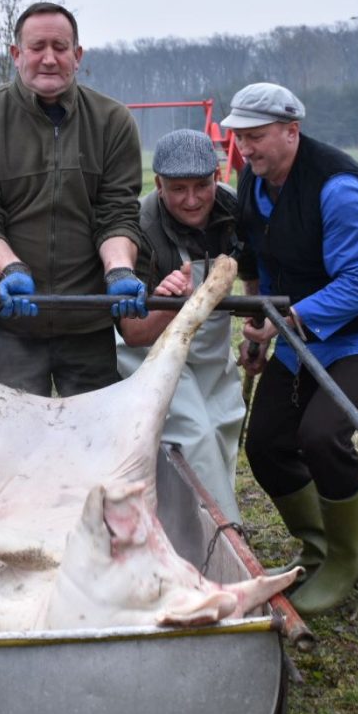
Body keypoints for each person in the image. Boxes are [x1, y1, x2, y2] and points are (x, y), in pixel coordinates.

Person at [224, 83, 358, 615]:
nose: (247, 148)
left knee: (322, 435)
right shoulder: (255, 178)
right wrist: (257, 318)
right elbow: (259, 259)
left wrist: (288, 320)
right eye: (240, 137)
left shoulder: (339, 188)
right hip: (297, 326)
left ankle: (344, 558)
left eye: (258, 136)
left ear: (292, 131)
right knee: (266, 442)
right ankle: (316, 549)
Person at [0, 1, 146, 397]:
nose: (50, 59)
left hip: (89, 326)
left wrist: (120, 271)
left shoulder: (113, 121)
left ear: (78, 55)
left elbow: (117, 214)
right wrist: (11, 268)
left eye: (61, 46)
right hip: (15, 327)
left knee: (94, 447)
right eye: (37, 47)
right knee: (18, 446)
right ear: (16, 55)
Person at [115, 129, 246, 522]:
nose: (192, 200)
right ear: (158, 185)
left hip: (210, 348)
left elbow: (253, 272)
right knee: (194, 438)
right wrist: (172, 303)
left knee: (223, 430)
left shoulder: (232, 209)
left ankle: (196, 526)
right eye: (178, 189)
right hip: (150, 348)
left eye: (202, 185)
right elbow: (133, 332)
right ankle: (227, 539)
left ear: (217, 176)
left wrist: (257, 328)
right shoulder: (138, 226)